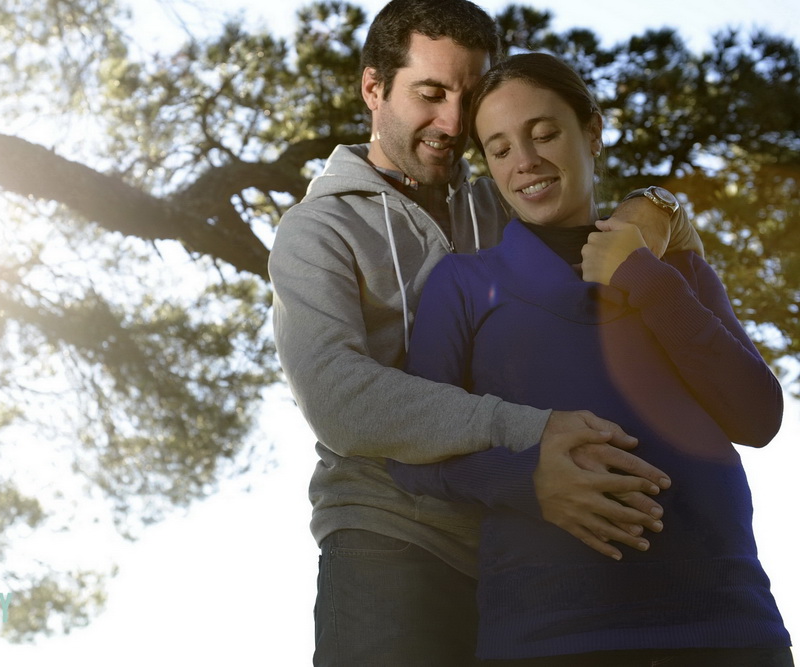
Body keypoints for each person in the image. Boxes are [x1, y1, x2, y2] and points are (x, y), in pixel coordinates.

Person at [269, 1, 703, 664]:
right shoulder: (316, 231)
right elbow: (340, 399)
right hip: (391, 541)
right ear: (373, 88)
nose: (450, 122)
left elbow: (609, 268)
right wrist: (531, 429)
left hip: (530, 544)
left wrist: (660, 205)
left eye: (467, 98)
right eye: (429, 93)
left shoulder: (504, 199)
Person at [389, 52, 793, 666]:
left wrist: (644, 278)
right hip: (552, 633)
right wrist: (529, 481)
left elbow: (756, 416)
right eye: (499, 149)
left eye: (544, 133)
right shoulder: (464, 284)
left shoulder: (665, 264)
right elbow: (413, 456)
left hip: (728, 625)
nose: (524, 161)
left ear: (593, 132)